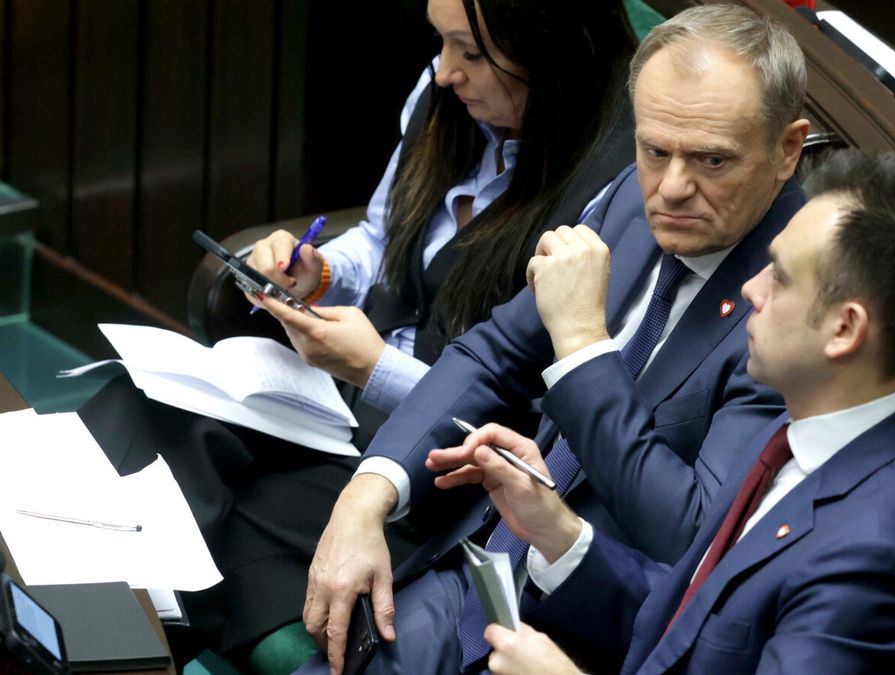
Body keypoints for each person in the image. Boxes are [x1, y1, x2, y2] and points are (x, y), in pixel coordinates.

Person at [78, 0, 638, 658]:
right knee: (142, 400)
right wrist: (314, 275)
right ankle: (68, 613)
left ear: (550, 50)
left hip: (439, 469)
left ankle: (94, 635)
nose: (445, 73)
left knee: (208, 511)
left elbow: (532, 421)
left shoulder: (612, 188)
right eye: (442, 43)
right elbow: (380, 238)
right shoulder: (448, 103)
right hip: (343, 402)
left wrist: (375, 368)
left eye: (470, 51)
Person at [298, 5, 809, 674]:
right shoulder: (632, 195)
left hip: (598, 629)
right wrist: (367, 495)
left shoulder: (797, 296)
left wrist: (583, 348)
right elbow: (492, 350)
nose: (674, 188)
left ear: (787, 150)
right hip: (481, 564)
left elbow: (692, 530)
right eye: (655, 150)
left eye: (713, 160)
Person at [444, 149, 895, 674]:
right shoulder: (816, 418)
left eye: (779, 275)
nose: (750, 288)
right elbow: (704, 623)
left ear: (845, 329)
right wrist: (558, 531)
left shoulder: (872, 560)